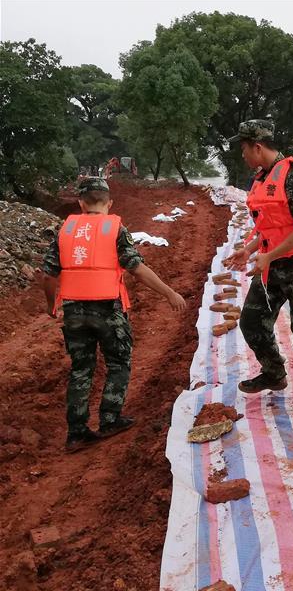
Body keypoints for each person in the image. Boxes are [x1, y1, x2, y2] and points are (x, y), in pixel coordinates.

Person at [42, 177, 186, 453]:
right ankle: (110, 419)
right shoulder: (115, 228)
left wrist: (52, 306)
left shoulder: (66, 230)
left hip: (73, 310)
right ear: (109, 202)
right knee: (119, 362)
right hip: (107, 309)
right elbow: (137, 268)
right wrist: (169, 293)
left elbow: (48, 276)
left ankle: (76, 433)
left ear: (81, 203)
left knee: (81, 369)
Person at [222, 119, 293, 415]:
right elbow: (271, 226)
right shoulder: (260, 178)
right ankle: (274, 373)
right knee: (252, 322)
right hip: (272, 264)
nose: (242, 155)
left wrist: (269, 256)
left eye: (244, 148)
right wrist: (249, 249)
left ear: (257, 147)